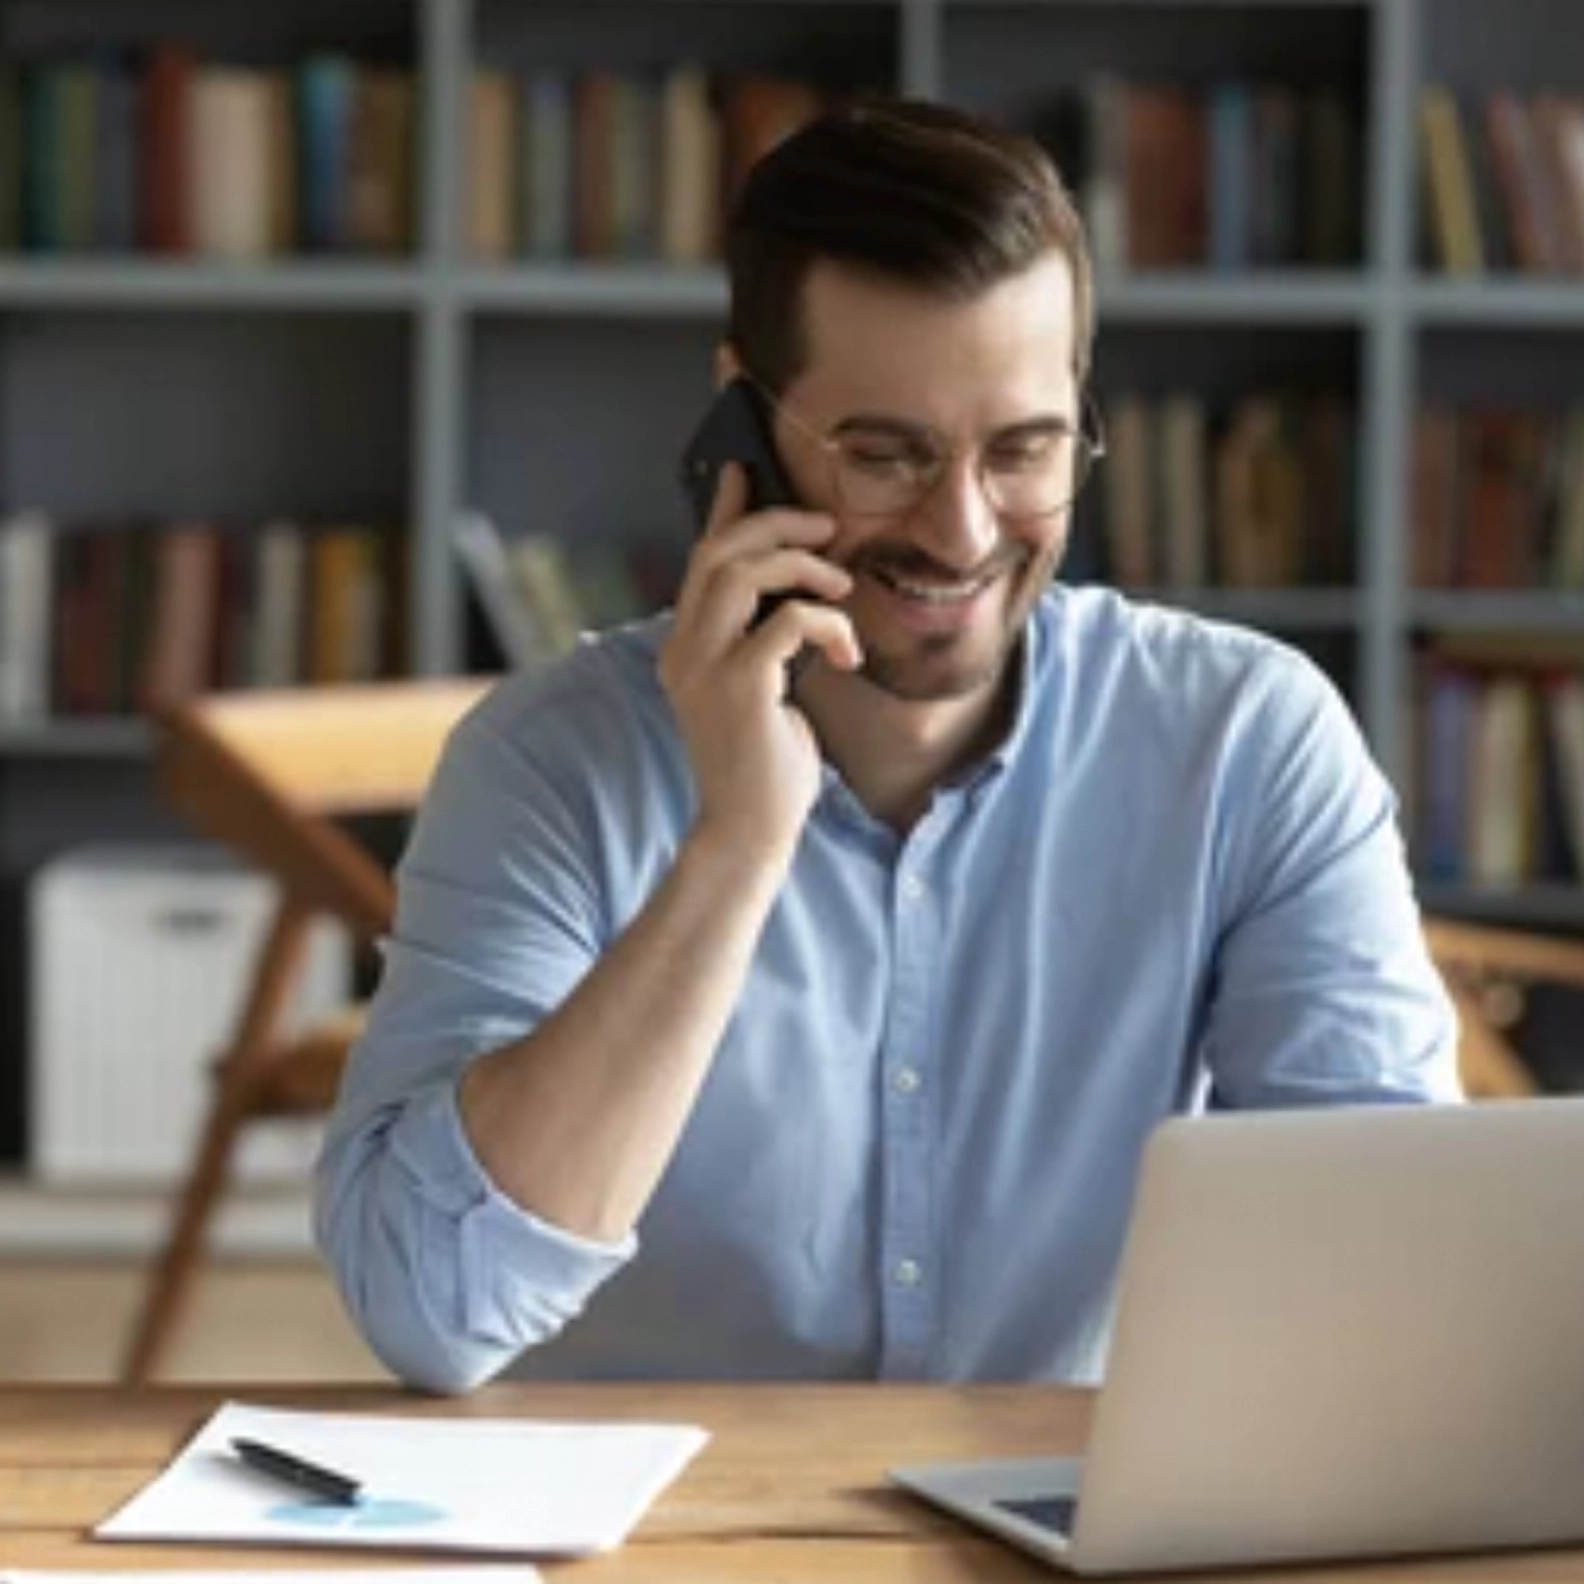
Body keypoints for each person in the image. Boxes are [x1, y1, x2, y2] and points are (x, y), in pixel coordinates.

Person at [315, 97, 1460, 1395]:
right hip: (666, 1540)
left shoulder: (1246, 743)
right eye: (886, 454)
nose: (965, 532)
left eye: (1023, 451)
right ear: (739, 427)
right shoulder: (545, 764)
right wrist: (739, 845)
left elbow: (1396, 1276)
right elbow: (428, 1308)